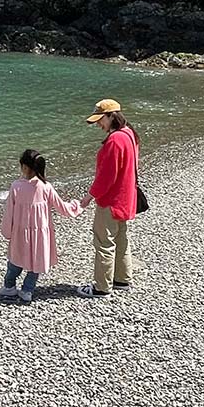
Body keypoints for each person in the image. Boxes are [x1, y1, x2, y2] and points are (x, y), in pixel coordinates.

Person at [0, 147, 82, 304]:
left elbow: (9, 212)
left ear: (24, 167)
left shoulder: (16, 186)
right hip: (40, 233)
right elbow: (62, 207)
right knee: (37, 262)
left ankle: (9, 287)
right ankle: (27, 290)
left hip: (20, 232)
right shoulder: (46, 187)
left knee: (15, 262)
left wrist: (7, 232)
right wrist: (77, 206)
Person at [78, 98, 138, 298]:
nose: (98, 124)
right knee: (121, 240)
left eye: (100, 120)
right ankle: (122, 279)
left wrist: (89, 197)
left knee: (104, 242)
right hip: (126, 197)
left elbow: (107, 177)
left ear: (112, 116)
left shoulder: (114, 141)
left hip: (111, 200)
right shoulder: (129, 134)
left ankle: (102, 287)